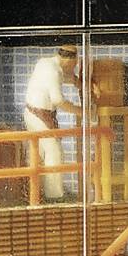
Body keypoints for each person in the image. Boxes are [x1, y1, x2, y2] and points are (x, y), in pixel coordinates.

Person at [23, 45, 82, 202]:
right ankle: (54, 196)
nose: (73, 68)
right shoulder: (53, 71)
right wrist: (80, 111)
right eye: (74, 64)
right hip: (39, 115)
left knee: (40, 155)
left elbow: (67, 77)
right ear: (69, 60)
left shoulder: (46, 63)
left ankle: (39, 194)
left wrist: (80, 83)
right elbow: (58, 100)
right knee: (54, 152)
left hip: (32, 114)